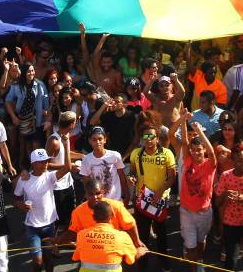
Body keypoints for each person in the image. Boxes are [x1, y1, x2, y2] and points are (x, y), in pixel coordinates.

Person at [13, 134, 72, 272]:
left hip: (49, 226)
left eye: (46, 160)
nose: (46, 163)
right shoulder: (24, 179)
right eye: (42, 161)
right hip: (32, 227)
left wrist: (66, 143)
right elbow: (15, 199)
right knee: (38, 262)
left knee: (48, 258)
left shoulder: (49, 176)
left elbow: (67, 167)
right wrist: (20, 205)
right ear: (33, 163)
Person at [128, 124, 177, 271]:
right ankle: (143, 265)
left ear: (157, 138)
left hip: (159, 199)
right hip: (142, 199)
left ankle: (164, 262)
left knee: (161, 233)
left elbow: (172, 178)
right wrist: (131, 178)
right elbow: (132, 172)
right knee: (142, 234)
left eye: (152, 137)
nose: (149, 140)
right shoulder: (136, 153)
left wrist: (159, 191)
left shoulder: (167, 153)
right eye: (146, 137)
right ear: (142, 139)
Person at [179, 114, 217, 272]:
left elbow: (211, 151)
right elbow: (185, 142)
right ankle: (194, 268)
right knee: (191, 245)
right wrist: (183, 120)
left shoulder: (210, 164)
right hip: (186, 211)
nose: (196, 153)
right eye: (193, 150)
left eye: (199, 150)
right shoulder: (187, 159)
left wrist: (199, 131)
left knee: (201, 242)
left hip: (205, 212)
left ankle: (199, 261)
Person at [71, 201, 147, 272]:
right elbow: (131, 260)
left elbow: (75, 257)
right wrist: (140, 252)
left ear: (93, 217)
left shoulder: (81, 235)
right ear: (112, 217)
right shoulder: (122, 237)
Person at [79, 126, 128, 204]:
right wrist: (90, 200)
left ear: (105, 139)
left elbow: (122, 177)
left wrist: (127, 196)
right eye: (94, 140)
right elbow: (86, 183)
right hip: (98, 202)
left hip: (115, 200)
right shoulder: (86, 159)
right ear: (90, 141)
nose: (97, 142)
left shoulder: (115, 155)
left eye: (100, 139)